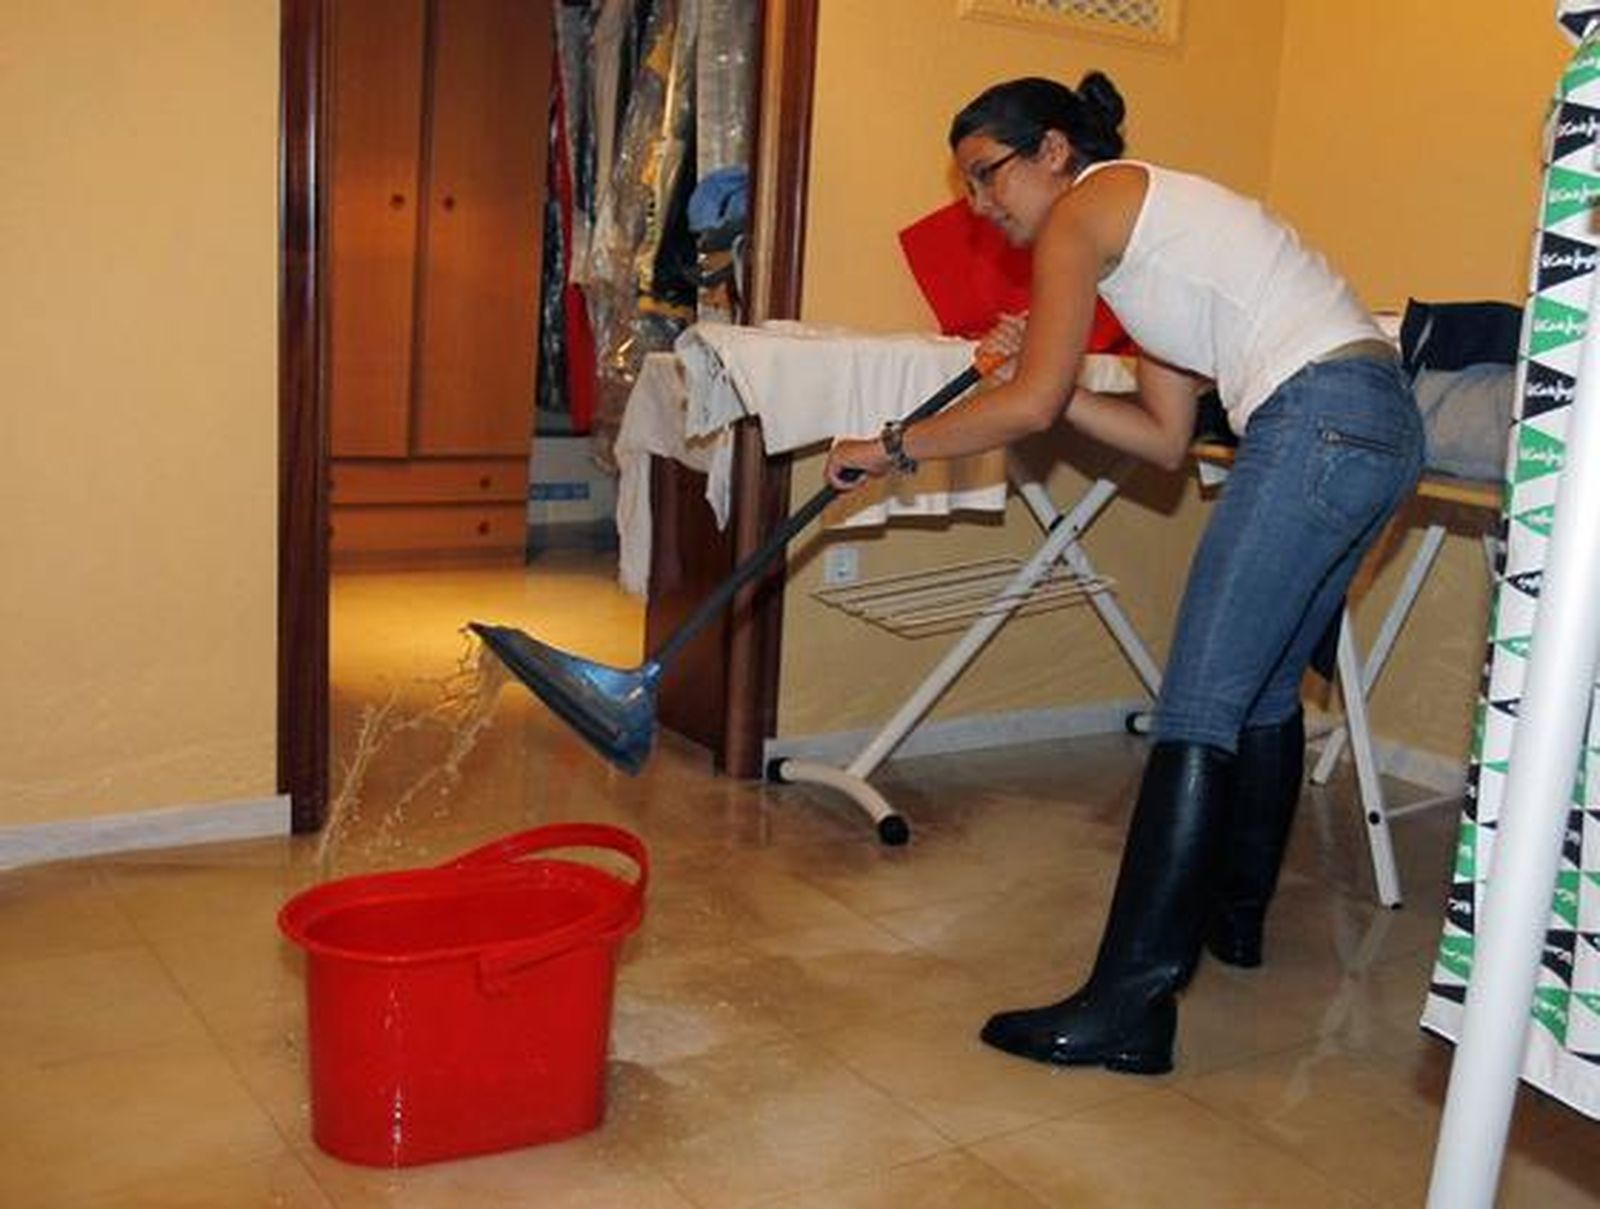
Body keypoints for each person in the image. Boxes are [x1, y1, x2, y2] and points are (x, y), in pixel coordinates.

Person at [825, 72, 1425, 1075]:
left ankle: (1128, 1008)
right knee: (1265, 692)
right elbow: (1158, 440)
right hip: (1377, 425)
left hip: (1316, 419)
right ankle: (1234, 926)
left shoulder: (1085, 209)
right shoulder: (1144, 234)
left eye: (987, 176)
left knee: (1195, 708)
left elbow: (1026, 409)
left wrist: (890, 443)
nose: (980, 206)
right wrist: (1027, 383)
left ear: (1053, 150)